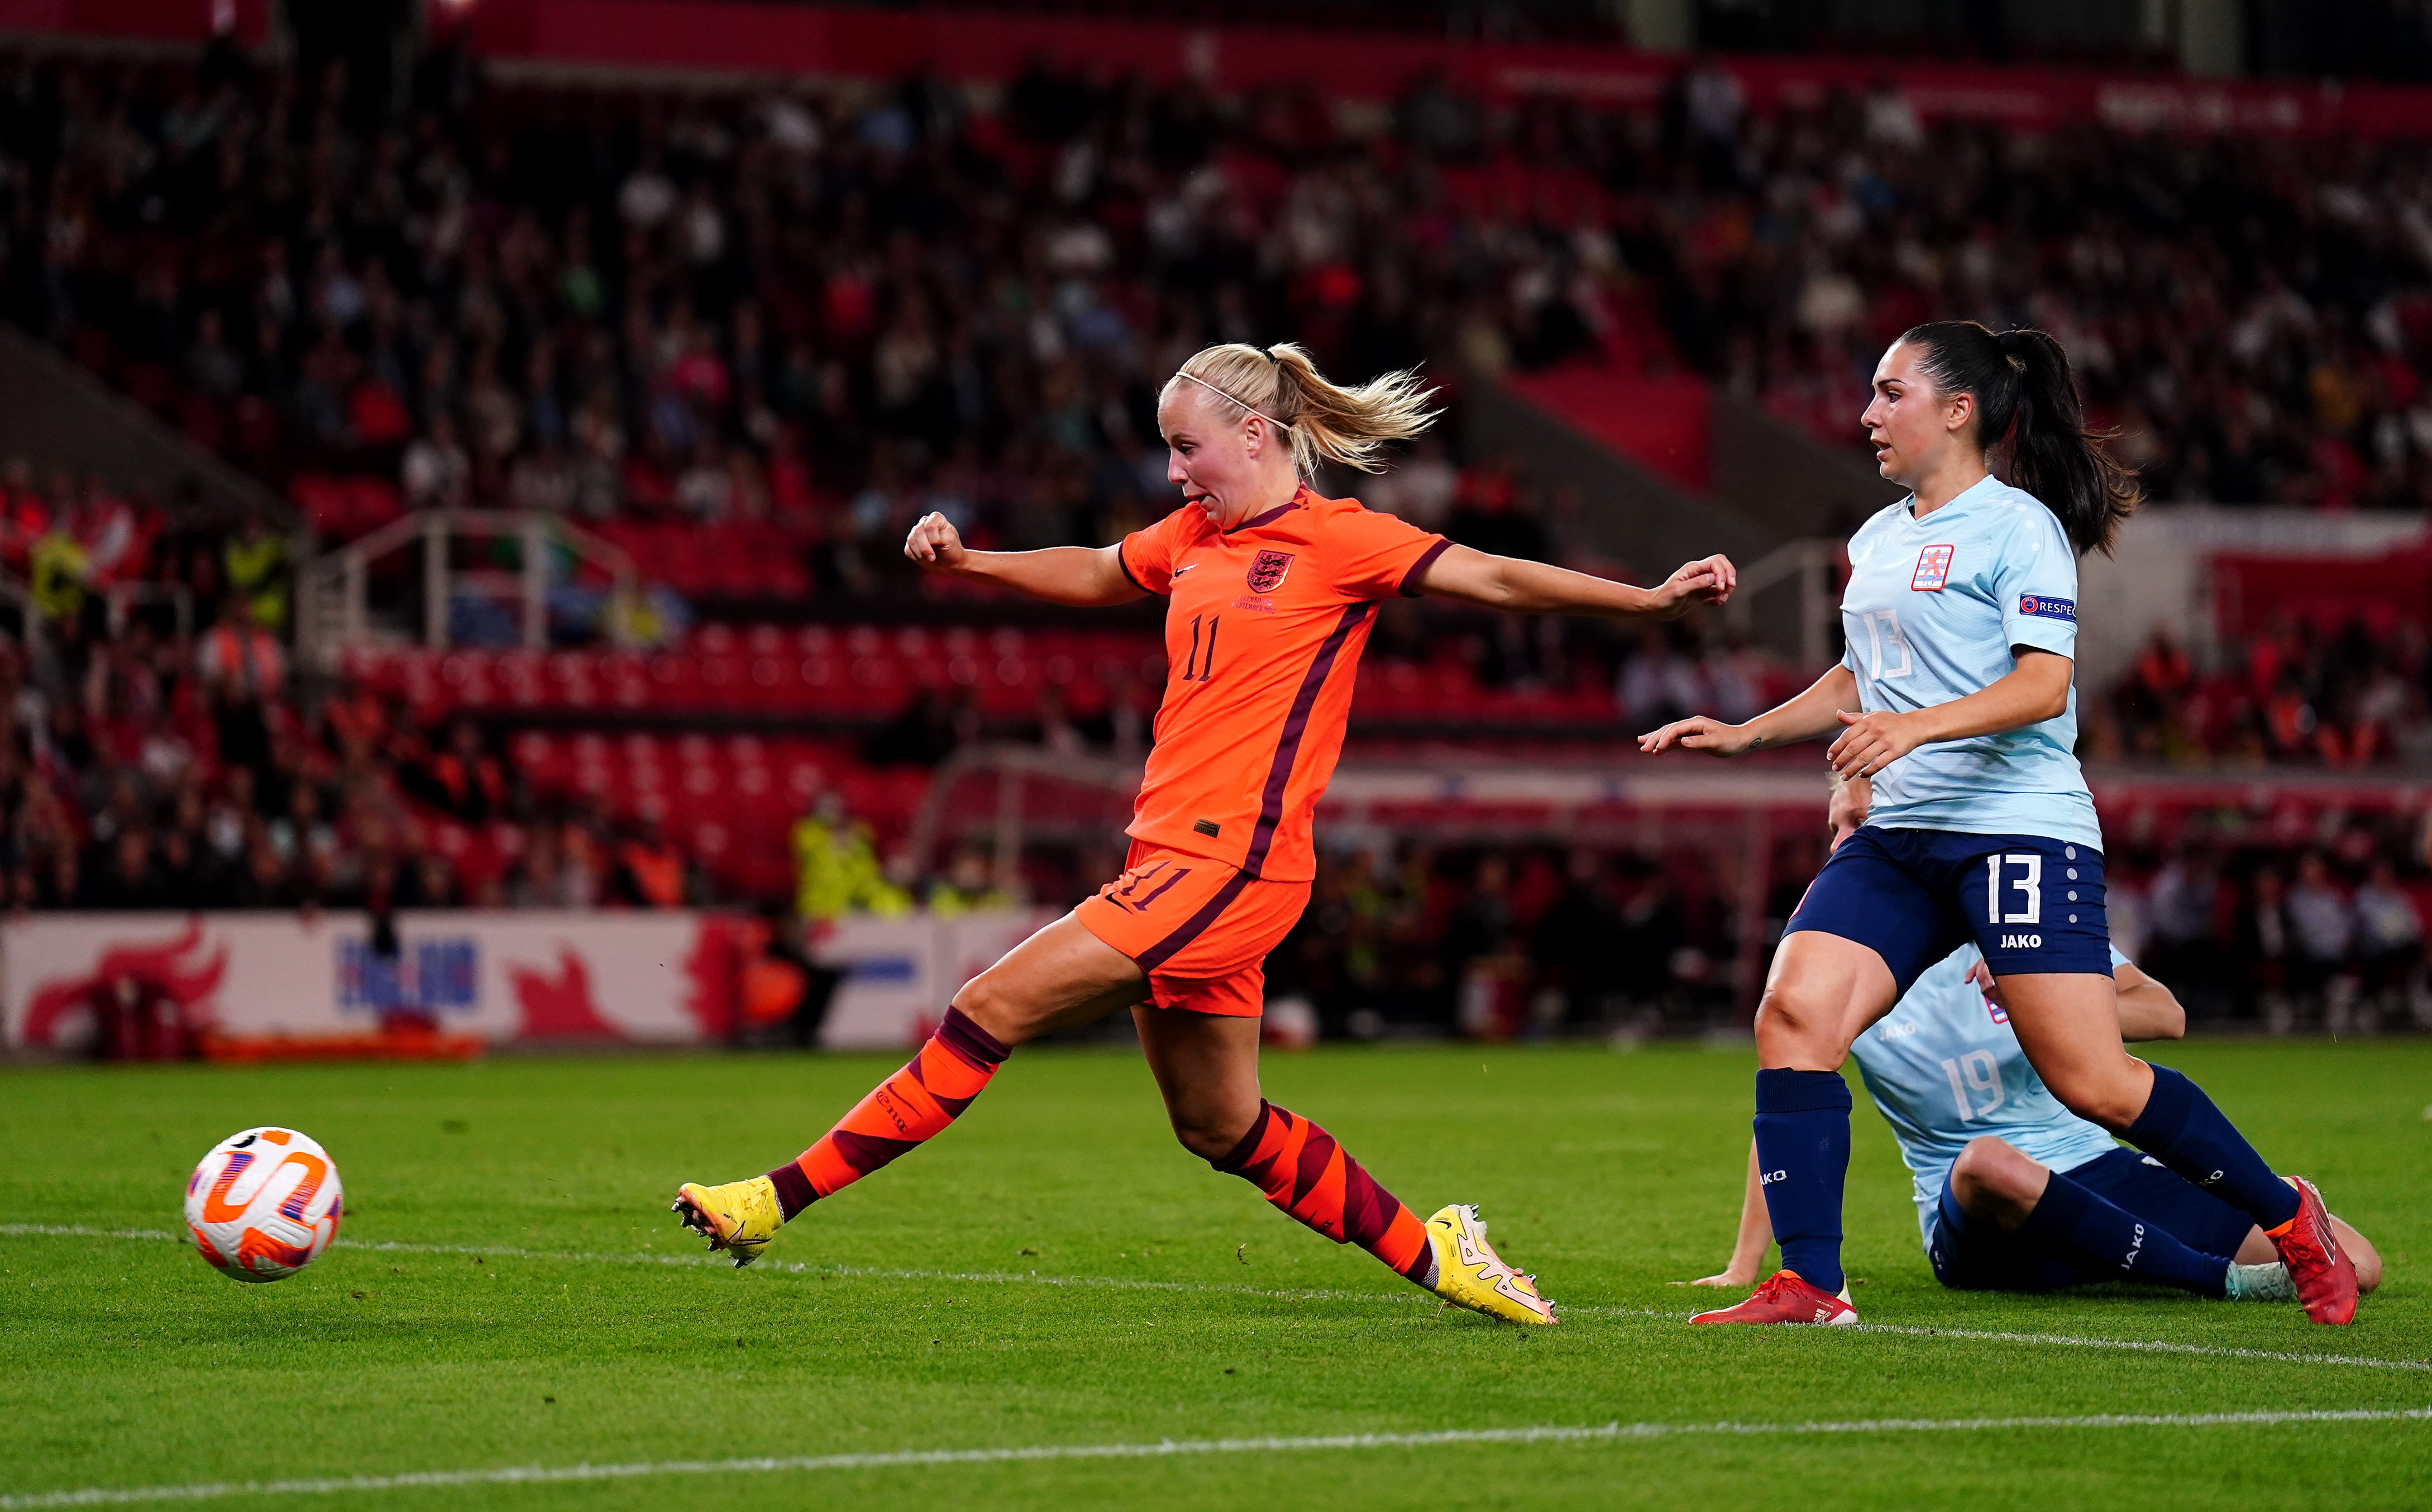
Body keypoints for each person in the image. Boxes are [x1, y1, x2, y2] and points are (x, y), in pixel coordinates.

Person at [674, 341, 1737, 1326]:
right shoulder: (1192, 538)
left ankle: (773, 1199)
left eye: (1188, 449)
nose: (1177, 473)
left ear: (1257, 438)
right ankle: (1442, 1250)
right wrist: (969, 566)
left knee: (986, 1007)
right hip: (1170, 860)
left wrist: (1642, 603)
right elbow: (1097, 569)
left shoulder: (1340, 540)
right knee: (1221, 1126)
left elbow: (1496, 577)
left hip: (1235, 865)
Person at [1640, 321, 2360, 1326]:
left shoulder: (2017, 529)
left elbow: (2041, 685)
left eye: (1889, 393)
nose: (1866, 414)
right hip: (1903, 833)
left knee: (2094, 1081)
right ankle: (1810, 1283)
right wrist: (1745, 734)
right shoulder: (1877, 538)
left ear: (1957, 410)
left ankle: (2288, 1220)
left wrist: (1910, 731)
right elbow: (1861, 677)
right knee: (1793, 1015)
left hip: (2014, 827)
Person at [1686, 776, 2384, 1303]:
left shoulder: (2021, 925)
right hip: (1975, 1214)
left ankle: (2135, 1251)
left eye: (1870, 822)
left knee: (2359, 1262)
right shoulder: (1846, 972)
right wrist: (1748, 1263)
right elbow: (1787, 1106)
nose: (1855, 841)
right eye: (1845, 825)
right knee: (1989, 1160)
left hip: (2097, 1170)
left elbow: (2165, 1013)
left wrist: (2048, 1004)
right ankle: (2217, 1282)